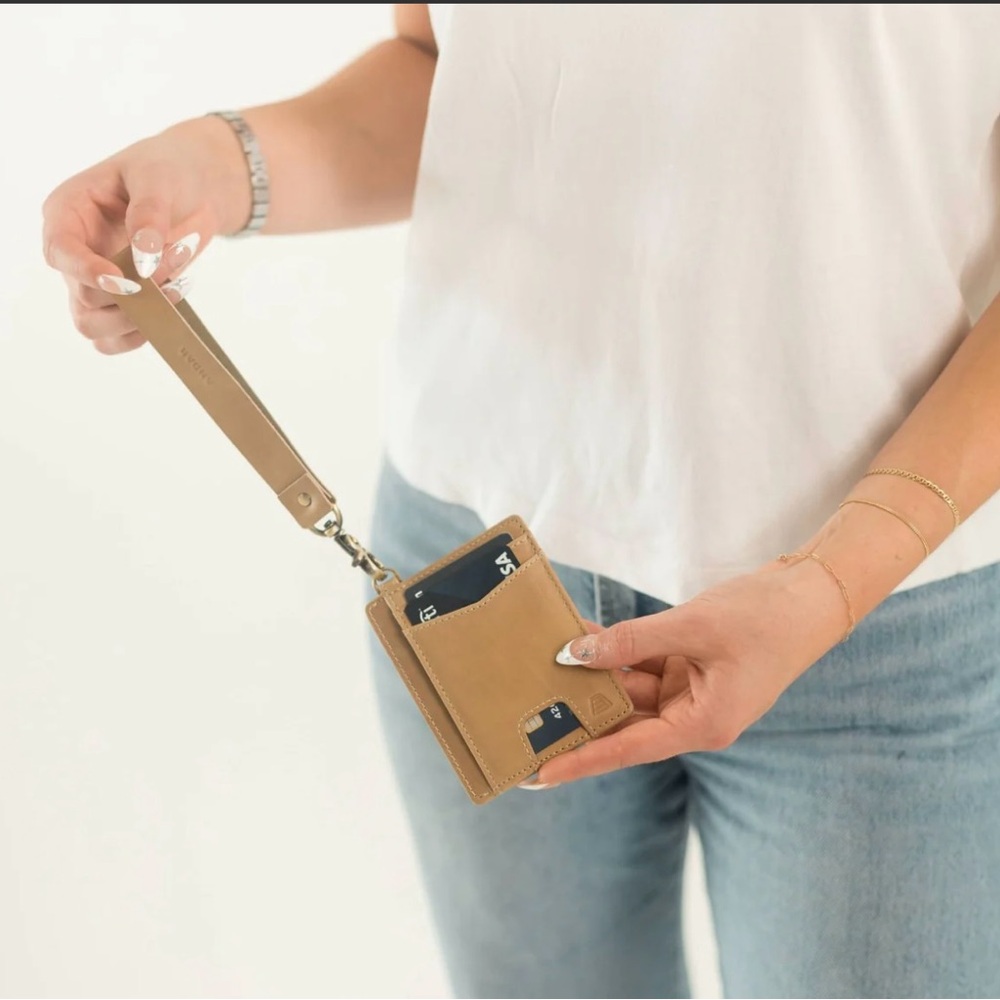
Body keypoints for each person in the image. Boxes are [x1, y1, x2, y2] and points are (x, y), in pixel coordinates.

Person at [42, 4, 1000, 997]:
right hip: (473, 566)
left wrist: (834, 581)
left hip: (879, 617)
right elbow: (446, 68)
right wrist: (219, 163)